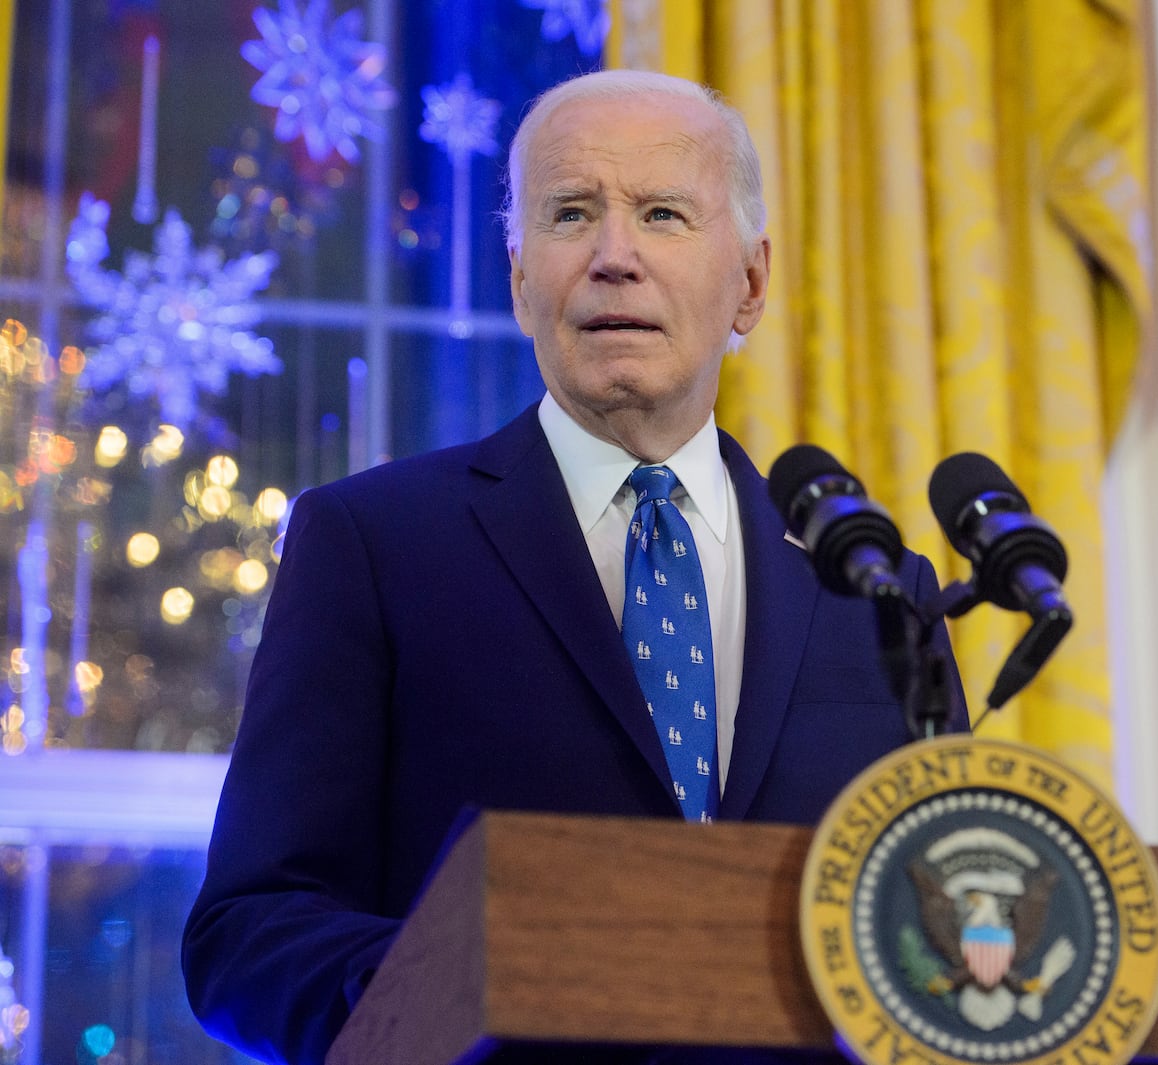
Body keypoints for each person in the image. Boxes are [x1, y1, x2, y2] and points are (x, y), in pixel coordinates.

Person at [182, 69, 964, 1065]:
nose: (613, 257)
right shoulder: (372, 544)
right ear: (519, 279)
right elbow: (247, 934)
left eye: (664, 214)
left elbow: (940, 936)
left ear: (751, 283)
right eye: (570, 214)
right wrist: (468, 986)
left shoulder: (871, 589)